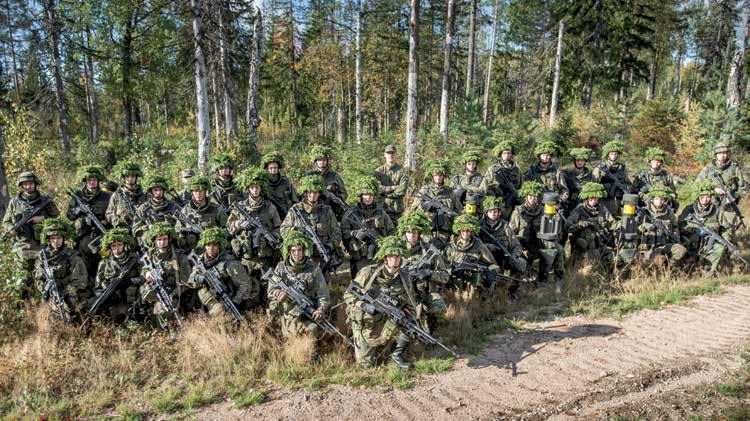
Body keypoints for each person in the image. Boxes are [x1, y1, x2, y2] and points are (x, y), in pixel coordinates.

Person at [344, 235, 418, 369]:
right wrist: (363, 305)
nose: (394, 259)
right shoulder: (368, 273)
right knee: (366, 365)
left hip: (388, 319)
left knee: (410, 325)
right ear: (385, 258)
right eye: (390, 256)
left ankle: (396, 354)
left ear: (401, 258)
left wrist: (412, 321)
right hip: (366, 321)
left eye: (397, 256)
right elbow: (349, 294)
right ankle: (357, 342)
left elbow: (410, 304)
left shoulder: (405, 278)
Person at [227, 167, 281, 305]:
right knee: (248, 291)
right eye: (252, 187)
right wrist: (240, 224)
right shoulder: (240, 207)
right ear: (248, 189)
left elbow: (279, 228)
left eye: (257, 187)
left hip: (265, 257)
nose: (255, 190)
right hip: (245, 258)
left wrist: (271, 237)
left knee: (267, 291)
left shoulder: (270, 207)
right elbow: (229, 227)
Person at [267, 231, 330, 346]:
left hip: (308, 311)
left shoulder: (314, 269)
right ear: (288, 251)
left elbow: (323, 294)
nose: (297, 254)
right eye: (293, 250)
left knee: (313, 328)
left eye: (300, 250)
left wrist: (321, 309)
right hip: (287, 313)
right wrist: (278, 293)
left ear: (304, 250)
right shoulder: (281, 268)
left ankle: (308, 353)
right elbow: (271, 290)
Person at [2, 171, 60, 292]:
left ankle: (44, 304)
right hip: (23, 245)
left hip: (43, 244)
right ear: (21, 185)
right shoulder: (14, 202)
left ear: (35, 184)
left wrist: (43, 218)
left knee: (44, 276)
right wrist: (11, 229)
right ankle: (25, 304)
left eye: (30, 183)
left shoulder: (46, 200)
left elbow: (58, 219)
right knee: (23, 277)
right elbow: (6, 222)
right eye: (25, 184)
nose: (28, 186)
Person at [280, 175, 344, 276]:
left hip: (321, 258)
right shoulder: (295, 210)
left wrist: (329, 246)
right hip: (300, 258)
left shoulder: (326, 211)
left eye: (315, 193)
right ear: (305, 193)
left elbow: (337, 233)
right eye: (310, 192)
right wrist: (297, 231)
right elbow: (283, 230)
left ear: (319, 194)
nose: (312, 195)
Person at [187, 228, 257, 316]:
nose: (211, 248)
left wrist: (235, 301)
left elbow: (245, 285)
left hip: (229, 298)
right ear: (204, 246)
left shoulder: (230, 263)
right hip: (208, 299)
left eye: (214, 245)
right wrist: (201, 279)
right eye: (208, 245)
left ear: (219, 246)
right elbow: (191, 280)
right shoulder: (200, 261)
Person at [398, 210, 449, 329]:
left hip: (425, 294)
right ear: (404, 233)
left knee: (438, 306)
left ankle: (433, 327)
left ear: (420, 233)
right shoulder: (397, 251)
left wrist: (428, 273)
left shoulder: (429, 252)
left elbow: (445, 276)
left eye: (415, 232)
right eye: (409, 232)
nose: (412, 235)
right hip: (403, 295)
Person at [679, 180, 741, 276]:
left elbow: (724, 228)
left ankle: (709, 271)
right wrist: (691, 230)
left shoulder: (716, 210)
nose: (705, 200)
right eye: (702, 197)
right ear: (698, 198)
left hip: (708, 243)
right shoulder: (689, 209)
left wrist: (726, 240)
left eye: (707, 197)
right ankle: (683, 270)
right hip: (690, 241)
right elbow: (680, 224)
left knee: (720, 247)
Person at [33, 218, 90, 321]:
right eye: (53, 238)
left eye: (59, 238)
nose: (56, 241)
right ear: (48, 240)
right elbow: (37, 279)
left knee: (69, 313)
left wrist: (64, 291)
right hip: (50, 295)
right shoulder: (42, 257)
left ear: (64, 239)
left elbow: (81, 281)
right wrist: (45, 288)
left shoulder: (72, 257)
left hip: (68, 294)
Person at [510, 181, 564, 285]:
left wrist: (556, 220)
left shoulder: (544, 210)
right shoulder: (518, 211)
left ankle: (558, 280)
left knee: (559, 249)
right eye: (530, 196)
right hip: (524, 246)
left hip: (540, 243)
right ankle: (516, 284)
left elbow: (554, 231)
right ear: (526, 197)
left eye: (535, 196)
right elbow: (511, 232)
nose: (533, 199)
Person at [138, 222, 190, 329]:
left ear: (169, 239)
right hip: (155, 290)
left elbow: (186, 278)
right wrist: (147, 273)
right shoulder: (150, 255)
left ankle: (173, 329)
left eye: (165, 239)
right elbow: (143, 269)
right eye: (159, 239)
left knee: (167, 307)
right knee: (158, 308)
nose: (162, 242)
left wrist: (174, 293)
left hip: (174, 290)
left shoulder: (179, 255)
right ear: (154, 240)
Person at [342, 176, 395, 277]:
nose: (368, 197)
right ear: (361, 195)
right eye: (365, 194)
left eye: (370, 194)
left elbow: (391, 231)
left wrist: (386, 245)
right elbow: (344, 231)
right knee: (360, 283)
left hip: (379, 254)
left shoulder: (381, 213)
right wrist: (354, 233)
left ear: (374, 196)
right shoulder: (352, 212)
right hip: (359, 255)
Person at [66, 165, 110, 274]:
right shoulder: (78, 196)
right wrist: (78, 210)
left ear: (98, 181)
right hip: (82, 237)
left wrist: (106, 221)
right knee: (83, 267)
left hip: (101, 237)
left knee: (103, 265)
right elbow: (70, 216)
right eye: (89, 180)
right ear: (85, 181)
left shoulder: (107, 196)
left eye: (94, 180)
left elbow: (112, 215)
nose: (92, 182)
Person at [92, 228, 142, 323]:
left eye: (119, 245)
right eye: (113, 246)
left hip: (132, 296)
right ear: (110, 247)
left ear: (124, 245)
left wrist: (130, 281)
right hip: (113, 298)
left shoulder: (134, 259)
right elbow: (98, 285)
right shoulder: (104, 263)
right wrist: (107, 288)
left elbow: (144, 277)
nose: (117, 248)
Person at [564, 182, 618, 267]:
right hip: (585, 245)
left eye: (596, 198)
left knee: (616, 259)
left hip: (601, 242)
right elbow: (567, 227)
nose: (594, 200)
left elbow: (612, 223)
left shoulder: (602, 209)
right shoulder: (579, 210)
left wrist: (620, 226)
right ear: (587, 198)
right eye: (591, 198)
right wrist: (580, 225)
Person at [411, 159, 463, 248]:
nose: (438, 178)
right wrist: (426, 206)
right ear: (432, 176)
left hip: (445, 232)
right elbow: (413, 211)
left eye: (440, 175)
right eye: (435, 175)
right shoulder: (424, 191)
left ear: (444, 176)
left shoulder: (450, 192)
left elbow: (459, 211)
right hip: (427, 231)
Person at [444, 214, 500, 292]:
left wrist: (490, 272)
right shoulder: (451, 244)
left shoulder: (478, 244)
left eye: (468, 231)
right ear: (459, 231)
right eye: (463, 230)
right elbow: (443, 262)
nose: (465, 233)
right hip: (453, 279)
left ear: (471, 231)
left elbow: (492, 263)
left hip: (471, 280)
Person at [635, 183, 686, 268]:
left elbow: (675, 226)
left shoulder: (669, 212)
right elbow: (634, 227)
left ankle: (670, 268)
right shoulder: (644, 212)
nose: (660, 201)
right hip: (648, 246)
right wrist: (644, 226)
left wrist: (677, 240)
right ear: (652, 199)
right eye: (657, 199)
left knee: (681, 250)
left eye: (662, 199)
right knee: (653, 261)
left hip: (665, 243)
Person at [478, 196, 527, 283]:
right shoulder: (480, 226)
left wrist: (513, 256)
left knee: (520, 264)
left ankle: (513, 289)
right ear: (486, 213)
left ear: (499, 213)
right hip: (485, 259)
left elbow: (516, 245)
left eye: (495, 211)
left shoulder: (505, 226)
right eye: (490, 211)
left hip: (502, 258)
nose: (493, 214)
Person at [175, 176, 228, 252]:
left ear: (205, 191)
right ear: (192, 192)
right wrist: (186, 232)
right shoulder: (185, 211)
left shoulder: (216, 209)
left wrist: (215, 235)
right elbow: (178, 230)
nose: (198, 194)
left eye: (201, 191)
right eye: (195, 191)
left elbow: (227, 229)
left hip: (214, 249)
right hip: (193, 251)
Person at [696, 141, 746, 221]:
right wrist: (713, 190)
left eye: (724, 153)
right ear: (716, 155)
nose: (722, 156)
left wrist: (733, 198)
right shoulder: (708, 168)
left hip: (729, 203)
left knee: (728, 228)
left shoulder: (734, 168)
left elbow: (742, 188)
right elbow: (698, 183)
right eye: (719, 154)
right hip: (711, 202)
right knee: (711, 226)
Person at [132, 175, 179, 244]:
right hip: (151, 241)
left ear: (164, 191)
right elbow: (135, 229)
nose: (158, 192)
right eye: (155, 190)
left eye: (160, 190)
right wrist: (148, 227)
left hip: (170, 240)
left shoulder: (173, 206)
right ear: (151, 191)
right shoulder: (143, 209)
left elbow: (183, 223)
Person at [482, 140, 521, 220]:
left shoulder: (516, 170)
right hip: (497, 202)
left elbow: (521, 186)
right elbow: (485, 185)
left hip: (513, 200)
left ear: (512, 154)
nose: (506, 155)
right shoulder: (493, 169)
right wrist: (495, 187)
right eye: (504, 153)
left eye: (509, 153)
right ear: (500, 154)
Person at [306, 145, 348, 219]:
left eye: (324, 160)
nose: (322, 162)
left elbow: (344, 193)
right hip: (313, 209)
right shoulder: (309, 176)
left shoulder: (334, 176)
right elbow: (303, 193)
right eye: (319, 160)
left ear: (327, 161)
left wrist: (336, 199)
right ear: (316, 161)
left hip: (332, 211)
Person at [373, 144, 410, 226]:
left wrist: (385, 194)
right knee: (380, 233)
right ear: (384, 155)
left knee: (396, 233)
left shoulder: (403, 172)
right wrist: (393, 187)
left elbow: (402, 190)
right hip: (381, 208)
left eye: (392, 153)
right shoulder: (378, 171)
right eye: (388, 153)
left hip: (396, 210)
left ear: (396, 154)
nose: (390, 155)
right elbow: (377, 189)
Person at [593, 140, 632, 216]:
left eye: (615, 154)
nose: (613, 156)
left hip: (618, 201)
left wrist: (626, 188)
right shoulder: (601, 168)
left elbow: (627, 182)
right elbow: (594, 184)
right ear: (608, 155)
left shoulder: (622, 168)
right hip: (604, 201)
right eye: (611, 154)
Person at [524, 139, 569, 205]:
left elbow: (564, 190)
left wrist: (559, 201)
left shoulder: (557, 171)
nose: (545, 157)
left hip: (553, 205)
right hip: (536, 205)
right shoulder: (532, 170)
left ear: (550, 156)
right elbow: (525, 188)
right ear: (539, 157)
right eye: (543, 155)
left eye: (547, 155)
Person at [106, 160, 147, 228]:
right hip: (123, 229)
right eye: (127, 176)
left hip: (140, 229)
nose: (130, 179)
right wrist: (118, 221)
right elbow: (109, 213)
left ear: (136, 178)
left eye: (133, 176)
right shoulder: (117, 195)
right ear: (124, 178)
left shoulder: (144, 194)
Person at [261, 151, 298, 219]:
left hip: (288, 215)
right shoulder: (263, 184)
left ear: (278, 168)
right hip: (271, 217)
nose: (273, 170)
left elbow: (295, 200)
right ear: (267, 169)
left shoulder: (286, 182)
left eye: (275, 168)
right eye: (271, 168)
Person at [558, 148, 595, 216]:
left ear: (585, 161)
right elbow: (563, 189)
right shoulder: (567, 174)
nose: (580, 162)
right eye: (578, 160)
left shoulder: (590, 175)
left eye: (582, 160)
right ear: (574, 161)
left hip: (585, 206)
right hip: (569, 207)